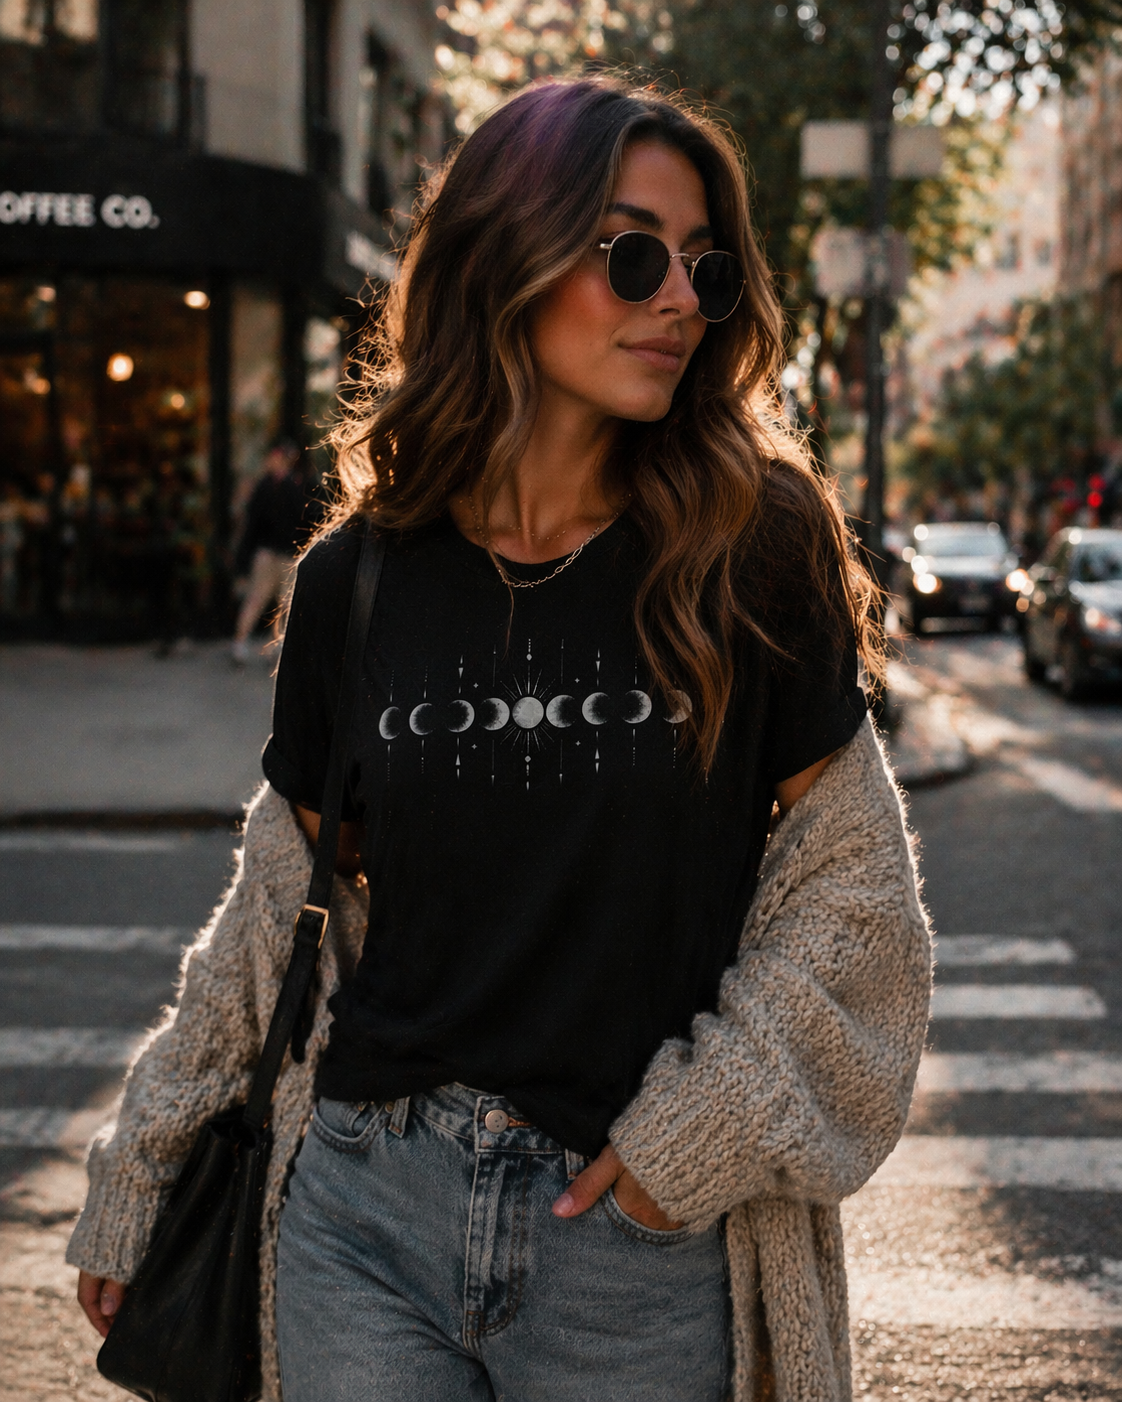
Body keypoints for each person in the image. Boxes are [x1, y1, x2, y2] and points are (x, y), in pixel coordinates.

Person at [69, 77, 931, 1402]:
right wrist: (143, 1165)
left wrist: (677, 1148)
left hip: (631, 1242)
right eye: (633, 254)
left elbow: (856, 908)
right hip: (363, 1210)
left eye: (704, 269)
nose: (679, 300)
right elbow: (271, 909)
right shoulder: (357, 578)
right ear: (504, 263)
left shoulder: (749, 548)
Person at [231, 439, 308, 663]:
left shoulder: (295, 485)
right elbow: (253, 525)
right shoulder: (264, 487)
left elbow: (303, 518)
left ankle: (280, 645)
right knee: (257, 599)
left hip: (289, 553)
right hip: (268, 553)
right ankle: (240, 641)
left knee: (286, 602)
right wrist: (244, 560)